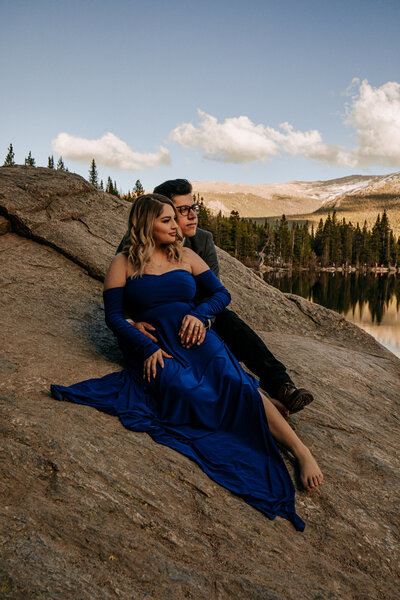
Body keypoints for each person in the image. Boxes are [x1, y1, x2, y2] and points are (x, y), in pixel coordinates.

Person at [52, 194, 323, 532]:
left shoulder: (187, 256)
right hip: (154, 345)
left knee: (236, 383)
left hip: (195, 335)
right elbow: (113, 316)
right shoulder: (124, 262)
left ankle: (299, 450)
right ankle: (262, 410)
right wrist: (142, 345)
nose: (175, 226)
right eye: (166, 220)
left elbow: (221, 295)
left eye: (174, 219)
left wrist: (199, 315)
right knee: (186, 393)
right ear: (145, 224)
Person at [117, 179, 314, 418]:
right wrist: (131, 324)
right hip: (159, 326)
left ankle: (282, 388)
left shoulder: (201, 241)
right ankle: (260, 402)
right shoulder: (134, 245)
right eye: (183, 210)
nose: (192, 216)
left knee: (230, 323)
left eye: (194, 208)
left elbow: (216, 294)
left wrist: (202, 319)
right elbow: (123, 295)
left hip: (197, 316)